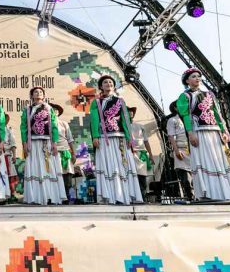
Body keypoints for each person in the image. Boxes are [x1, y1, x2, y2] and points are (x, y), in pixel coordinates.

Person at [176, 68, 230, 201]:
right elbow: (185, 116)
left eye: (198, 76)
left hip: (215, 132)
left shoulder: (209, 94)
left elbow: (217, 113)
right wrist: (190, 133)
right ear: (187, 81)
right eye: (193, 76)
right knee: (205, 161)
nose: (197, 78)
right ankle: (209, 193)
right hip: (199, 132)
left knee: (219, 160)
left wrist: (223, 131)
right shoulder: (185, 96)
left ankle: (225, 192)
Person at [89, 75, 143, 205]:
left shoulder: (120, 101)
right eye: (105, 82)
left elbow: (125, 120)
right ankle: (110, 196)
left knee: (122, 165)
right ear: (101, 86)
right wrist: (95, 136)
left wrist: (129, 137)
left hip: (120, 138)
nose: (108, 84)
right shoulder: (96, 102)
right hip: (104, 139)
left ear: (114, 86)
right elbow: (94, 120)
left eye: (110, 82)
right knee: (109, 166)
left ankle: (126, 195)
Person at [21, 87, 66, 205]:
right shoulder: (27, 110)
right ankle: (36, 197)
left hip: (47, 142)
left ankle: (51, 196)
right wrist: (24, 143)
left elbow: (54, 126)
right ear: (32, 96)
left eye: (41, 92)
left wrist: (54, 143)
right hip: (33, 143)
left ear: (44, 95)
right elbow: (23, 127)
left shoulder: (49, 108)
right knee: (35, 167)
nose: (38, 94)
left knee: (49, 168)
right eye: (36, 92)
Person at [166, 101, 193, 200]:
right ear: (175, 108)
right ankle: (190, 196)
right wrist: (176, 151)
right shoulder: (172, 120)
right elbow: (171, 136)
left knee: (195, 174)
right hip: (181, 149)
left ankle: (199, 196)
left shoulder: (189, 118)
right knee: (185, 176)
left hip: (192, 149)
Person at [50, 103, 76, 201]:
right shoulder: (46, 125)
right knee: (55, 175)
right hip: (53, 153)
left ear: (58, 113)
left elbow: (70, 139)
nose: (54, 111)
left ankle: (69, 198)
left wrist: (73, 154)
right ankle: (56, 197)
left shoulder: (64, 124)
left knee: (67, 175)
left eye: (55, 110)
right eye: (51, 110)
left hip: (65, 151)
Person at [127, 106, 155, 199]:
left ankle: (142, 197)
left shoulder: (140, 126)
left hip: (141, 154)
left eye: (132, 111)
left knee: (142, 176)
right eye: (128, 111)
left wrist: (151, 155)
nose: (131, 112)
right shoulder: (122, 127)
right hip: (129, 153)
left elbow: (146, 141)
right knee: (131, 176)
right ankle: (132, 197)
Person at [3, 113, 19, 197]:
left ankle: (11, 194)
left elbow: (13, 144)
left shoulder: (9, 130)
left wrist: (14, 156)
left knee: (10, 175)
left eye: (6, 119)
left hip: (7, 155)